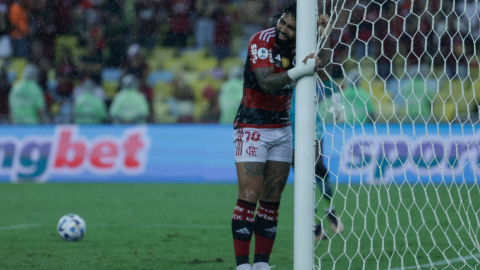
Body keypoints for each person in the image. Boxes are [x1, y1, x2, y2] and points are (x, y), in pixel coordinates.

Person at [231, 2, 328, 269]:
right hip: (252, 127)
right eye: (283, 22)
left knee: (271, 202)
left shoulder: (303, 43)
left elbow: (322, 63)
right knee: (249, 196)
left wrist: (322, 34)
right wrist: (300, 71)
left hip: (282, 130)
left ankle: (262, 264)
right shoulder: (261, 40)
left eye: (292, 27)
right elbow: (266, 81)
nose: (283, 29)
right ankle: (242, 265)